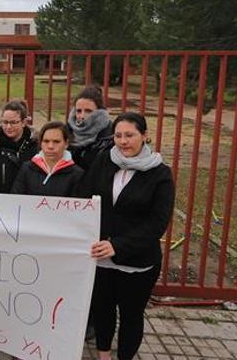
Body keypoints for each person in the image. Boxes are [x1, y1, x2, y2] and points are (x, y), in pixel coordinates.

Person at [83, 112, 174, 360]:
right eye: (119, 135)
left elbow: (158, 222)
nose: (123, 142)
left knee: (131, 315)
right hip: (101, 256)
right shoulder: (104, 161)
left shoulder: (160, 174)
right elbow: (85, 199)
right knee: (103, 310)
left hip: (137, 262)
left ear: (144, 136)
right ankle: (103, 355)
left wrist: (119, 245)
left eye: (130, 135)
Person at [10, 121, 82, 197]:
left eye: (56, 141)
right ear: (40, 143)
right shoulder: (27, 168)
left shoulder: (77, 174)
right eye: (46, 141)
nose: (50, 146)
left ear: (66, 143)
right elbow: (16, 199)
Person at [0, 99, 39, 193]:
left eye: (13, 122)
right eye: (5, 122)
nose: (8, 127)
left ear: (24, 122)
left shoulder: (35, 146)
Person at [68, 85, 114, 171]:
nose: (82, 116)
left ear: (99, 112)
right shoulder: (66, 131)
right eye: (78, 111)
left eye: (88, 111)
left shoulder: (110, 136)